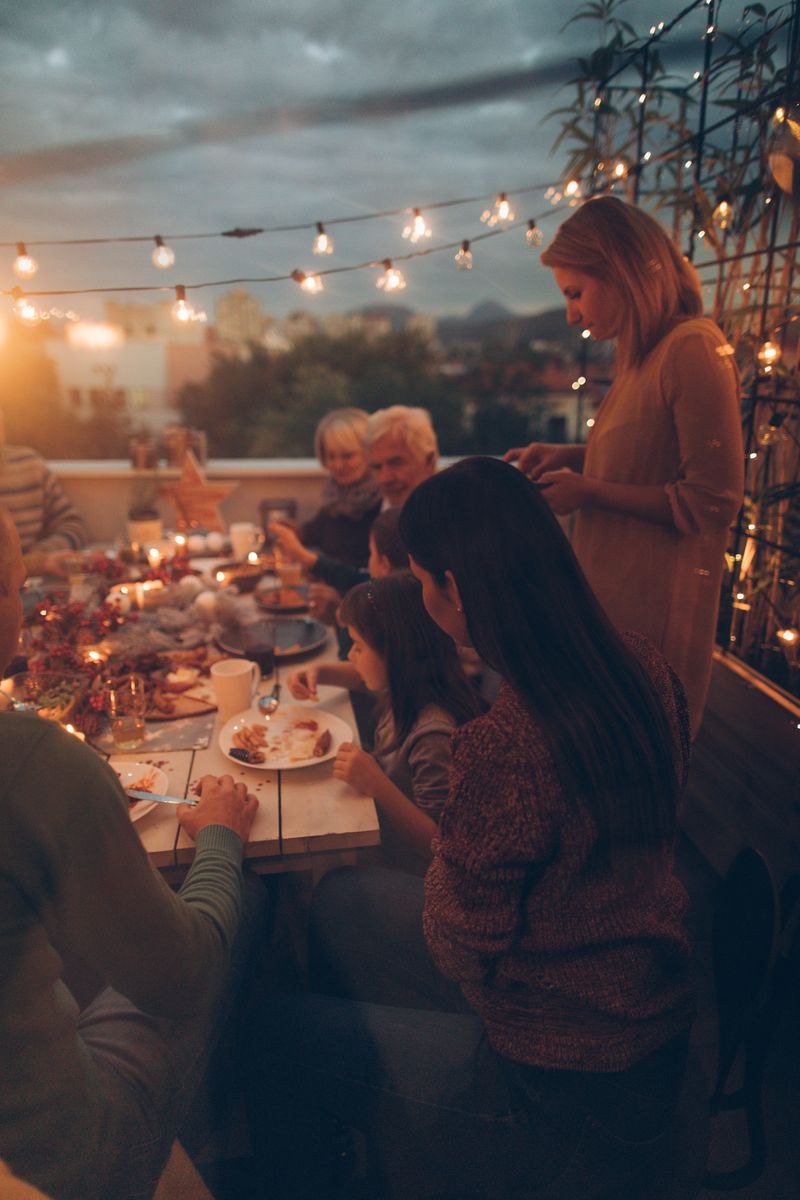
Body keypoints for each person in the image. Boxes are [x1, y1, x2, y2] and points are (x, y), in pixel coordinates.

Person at [249, 457, 696, 1199]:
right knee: (342, 901)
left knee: (272, 1036)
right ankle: (376, 1117)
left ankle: (390, 1125)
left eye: (422, 579)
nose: (421, 596)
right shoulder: (647, 666)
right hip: (647, 1010)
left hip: (556, 1078)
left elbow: (460, 942)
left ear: (454, 589)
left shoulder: (505, 745)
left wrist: (450, 896)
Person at [0, 505, 263, 1200]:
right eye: (13, 590)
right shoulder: (30, 761)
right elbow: (183, 979)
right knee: (247, 899)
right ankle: (255, 1140)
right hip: (55, 1159)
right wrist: (218, 839)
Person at [506, 196, 743, 737]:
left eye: (575, 293)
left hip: (654, 625)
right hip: (613, 611)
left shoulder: (693, 349)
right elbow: (646, 460)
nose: (571, 314)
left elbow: (712, 499)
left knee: (632, 778)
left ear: (621, 272)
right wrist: (568, 457)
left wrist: (588, 491)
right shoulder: (643, 357)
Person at [287, 571, 482, 871]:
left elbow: (441, 848)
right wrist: (322, 673)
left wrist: (378, 784)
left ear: (396, 654)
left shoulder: (432, 736)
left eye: (358, 646)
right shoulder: (413, 685)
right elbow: (371, 677)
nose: (351, 655)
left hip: (416, 877)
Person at [269, 404, 437, 595]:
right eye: (377, 467)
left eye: (396, 463)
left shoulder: (432, 520)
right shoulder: (380, 506)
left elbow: (393, 592)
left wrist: (313, 563)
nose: (384, 478)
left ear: (429, 462)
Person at [0, 407, 90, 574]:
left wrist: (44, 552)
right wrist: (36, 563)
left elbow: (75, 527)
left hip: (35, 587)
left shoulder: (29, 465)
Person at [298, 407, 381, 568]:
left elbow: (371, 577)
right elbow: (312, 533)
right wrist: (291, 531)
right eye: (331, 456)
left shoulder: (384, 503)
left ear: (369, 452)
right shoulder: (334, 500)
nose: (338, 465)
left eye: (347, 455)